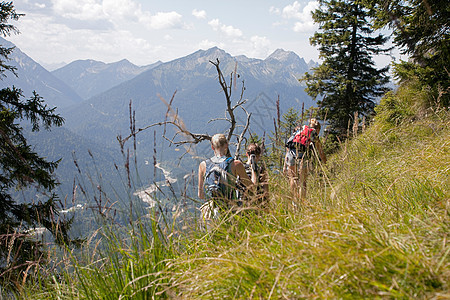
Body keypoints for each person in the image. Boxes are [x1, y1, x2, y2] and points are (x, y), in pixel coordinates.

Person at [198, 134, 253, 227]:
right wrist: (254, 171)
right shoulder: (235, 164)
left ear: (212, 147)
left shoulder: (203, 165)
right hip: (230, 211)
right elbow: (252, 188)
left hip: (209, 213)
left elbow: (201, 195)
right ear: (227, 145)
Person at [284, 118, 327, 200]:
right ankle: (302, 203)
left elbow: (289, 143)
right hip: (302, 155)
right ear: (317, 129)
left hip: (291, 153)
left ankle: (294, 202)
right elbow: (321, 152)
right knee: (302, 181)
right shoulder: (314, 134)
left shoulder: (300, 129)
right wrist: (325, 164)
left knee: (293, 178)